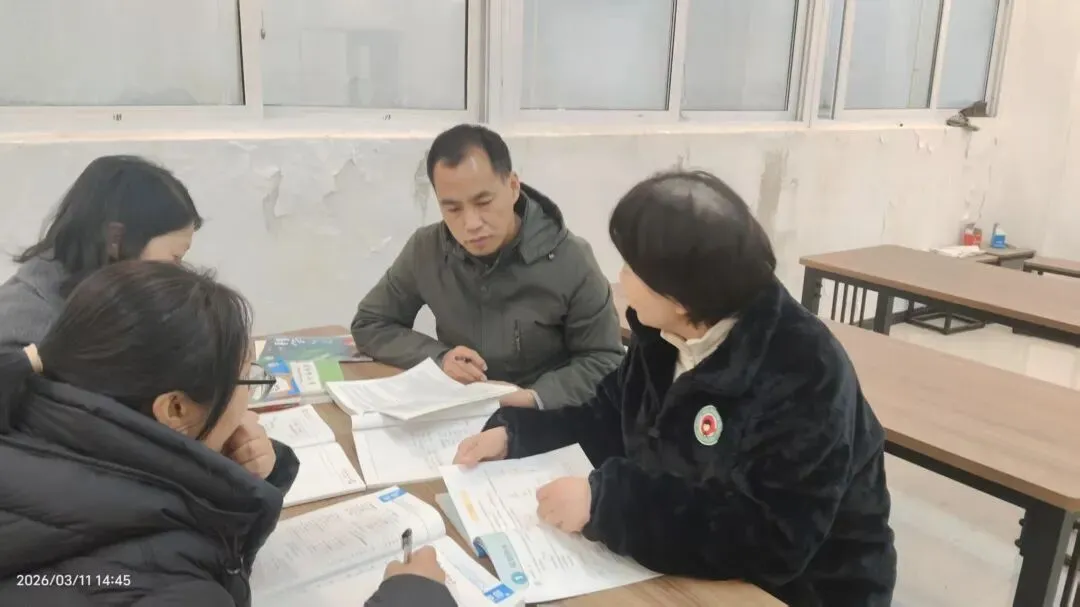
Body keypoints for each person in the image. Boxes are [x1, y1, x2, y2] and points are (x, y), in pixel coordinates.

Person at [454, 170, 897, 606]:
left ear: (682, 296)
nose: (621, 278)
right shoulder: (664, 335)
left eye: (632, 267)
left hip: (799, 591)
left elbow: (772, 537)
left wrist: (610, 506)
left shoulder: (803, 370)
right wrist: (519, 435)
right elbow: (608, 416)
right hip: (678, 563)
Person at [0, 261, 455, 607]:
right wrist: (414, 596)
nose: (248, 403)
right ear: (176, 408)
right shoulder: (170, 588)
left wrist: (222, 481)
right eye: (247, 380)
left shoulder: (26, 421)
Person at [351, 124, 623, 410]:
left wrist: (533, 396)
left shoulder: (570, 258)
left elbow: (606, 360)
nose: (471, 224)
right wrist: (440, 358)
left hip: (545, 417)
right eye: (453, 209)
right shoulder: (427, 249)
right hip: (460, 411)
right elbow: (370, 323)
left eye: (483, 202)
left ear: (513, 187)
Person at [0, 155, 202, 349]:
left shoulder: (117, 306)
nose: (180, 273)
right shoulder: (23, 328)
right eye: (175, 258)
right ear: (115, 239)